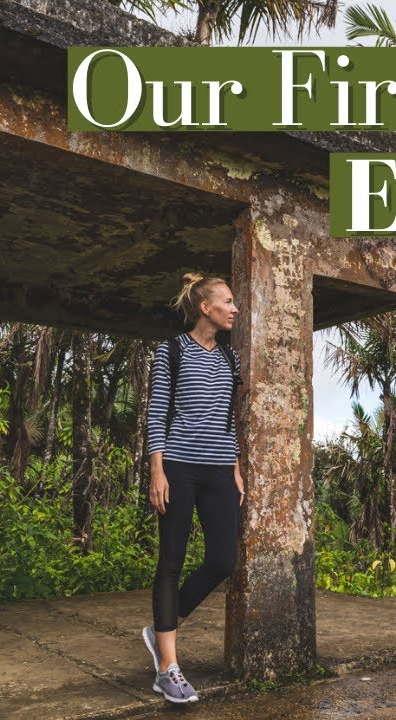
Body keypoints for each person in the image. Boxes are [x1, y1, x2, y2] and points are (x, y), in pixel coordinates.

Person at [140, 273, 244, 704]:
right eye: (228, 301)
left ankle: (162, 626)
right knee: (172, 560)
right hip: (178, 467)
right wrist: (156, 471)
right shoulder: (172, 351)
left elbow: (229, 417)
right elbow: (157, 411)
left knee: (223, 559)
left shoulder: (230, 359)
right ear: (206, 307)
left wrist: (235, 466)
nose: (235, 308)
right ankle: (167, 668)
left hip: (220, 468)